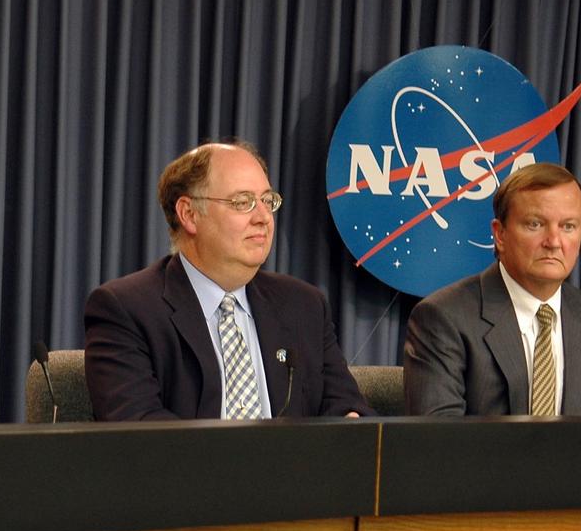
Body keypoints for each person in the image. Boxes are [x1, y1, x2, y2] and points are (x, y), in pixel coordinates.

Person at [84, 140, 371, 420]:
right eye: (242, 202)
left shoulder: (304, 305)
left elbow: (345, 406)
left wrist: (349, 424)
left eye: (267, 201)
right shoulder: (126, 309)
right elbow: (138, 429)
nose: (263, 217)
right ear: (189, 214)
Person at [403, 163, 581, 416]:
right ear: (500, 234)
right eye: (535, 224)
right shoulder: (444, 318)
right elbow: (438, 439)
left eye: (568, 226)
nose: (553, 242)